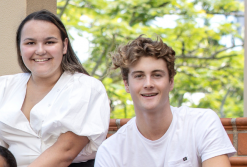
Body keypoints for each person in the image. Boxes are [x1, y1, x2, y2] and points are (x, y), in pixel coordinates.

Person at [0, 10, 110, 167]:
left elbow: (64, 153)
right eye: (30, 43)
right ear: (20, 48)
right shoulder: (1, 88)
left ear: (64, 46)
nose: (40, 50)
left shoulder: (85, 88)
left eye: (49, 42)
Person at [95, 35, 236, 167]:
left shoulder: (201, 123)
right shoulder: (111, 151)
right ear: (126, 84)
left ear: (171, 82)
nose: (148, 84)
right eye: (139, 76)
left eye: (157, 75)